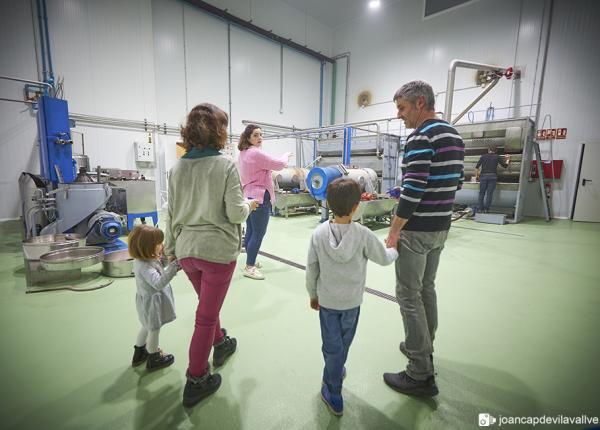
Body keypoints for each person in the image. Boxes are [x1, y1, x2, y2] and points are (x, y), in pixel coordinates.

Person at [164, 103, 258, 408]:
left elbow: (171, 213)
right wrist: (250, 206)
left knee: (208, 306)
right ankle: (196, 378)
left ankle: (221, 343)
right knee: (205, 316)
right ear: (218, 131)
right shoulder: (225, 165)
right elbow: (234, 213)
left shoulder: (177, 168)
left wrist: (169, 250)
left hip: (187, 252)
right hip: (217, 253)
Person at [383, 81, 464, 396]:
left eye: (402, 108)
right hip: (441, 227)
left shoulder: (421, 136)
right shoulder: (453, 135)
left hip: (417, 229)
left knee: (408, 294)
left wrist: (394, 229)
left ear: (420, 103)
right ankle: (423, 345)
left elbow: (413, 189)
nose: (399, 115)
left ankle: (419, 373)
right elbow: (455, 183)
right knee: (426, 288)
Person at [306, 178, 398, 416]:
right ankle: (334, 387)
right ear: (357, 206)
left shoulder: (318, 234)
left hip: (327, 302)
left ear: (328, 203)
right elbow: (384, 258)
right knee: (343, 343)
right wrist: (393, 248)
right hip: (352, 303)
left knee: (331, 345)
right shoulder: (364, 235)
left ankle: (332, 379)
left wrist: (313, 295)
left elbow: (312, 270)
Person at [238, 124, 292, 280]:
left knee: (250, 230)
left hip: (248, 196)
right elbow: (279, 164)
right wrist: (286, 155)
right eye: (255, 135)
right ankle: (249, 267)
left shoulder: (243, 153)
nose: (259, 138)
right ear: (248, 137)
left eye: (261, 135)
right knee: (258, 233)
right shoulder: (255, 153)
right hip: (260, 197)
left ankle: (251, 260)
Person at [129, 225, 179, 371]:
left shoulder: (144, 259)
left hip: (146, 302)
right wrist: (174, 267)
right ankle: (154, 357)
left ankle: (139, 353)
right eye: (159, 244)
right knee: (154, 330)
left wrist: (167, 259)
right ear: (148, 247)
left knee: (146, 326)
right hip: (153, 305)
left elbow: (159, 263)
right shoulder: (144, 267)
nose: (162, 246)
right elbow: (158, 282)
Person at [476, 146, 510, 213]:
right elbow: (505, 166)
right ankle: (486, 209)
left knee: (481, 193)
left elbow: (477, 167)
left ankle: (480, 209)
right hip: (493, 177)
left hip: (483, 176)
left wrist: (477, 176)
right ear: (496, 150)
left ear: (488, 150)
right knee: (489, 194)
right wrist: (508, 159)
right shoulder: (497, 157)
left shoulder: (483, 156)